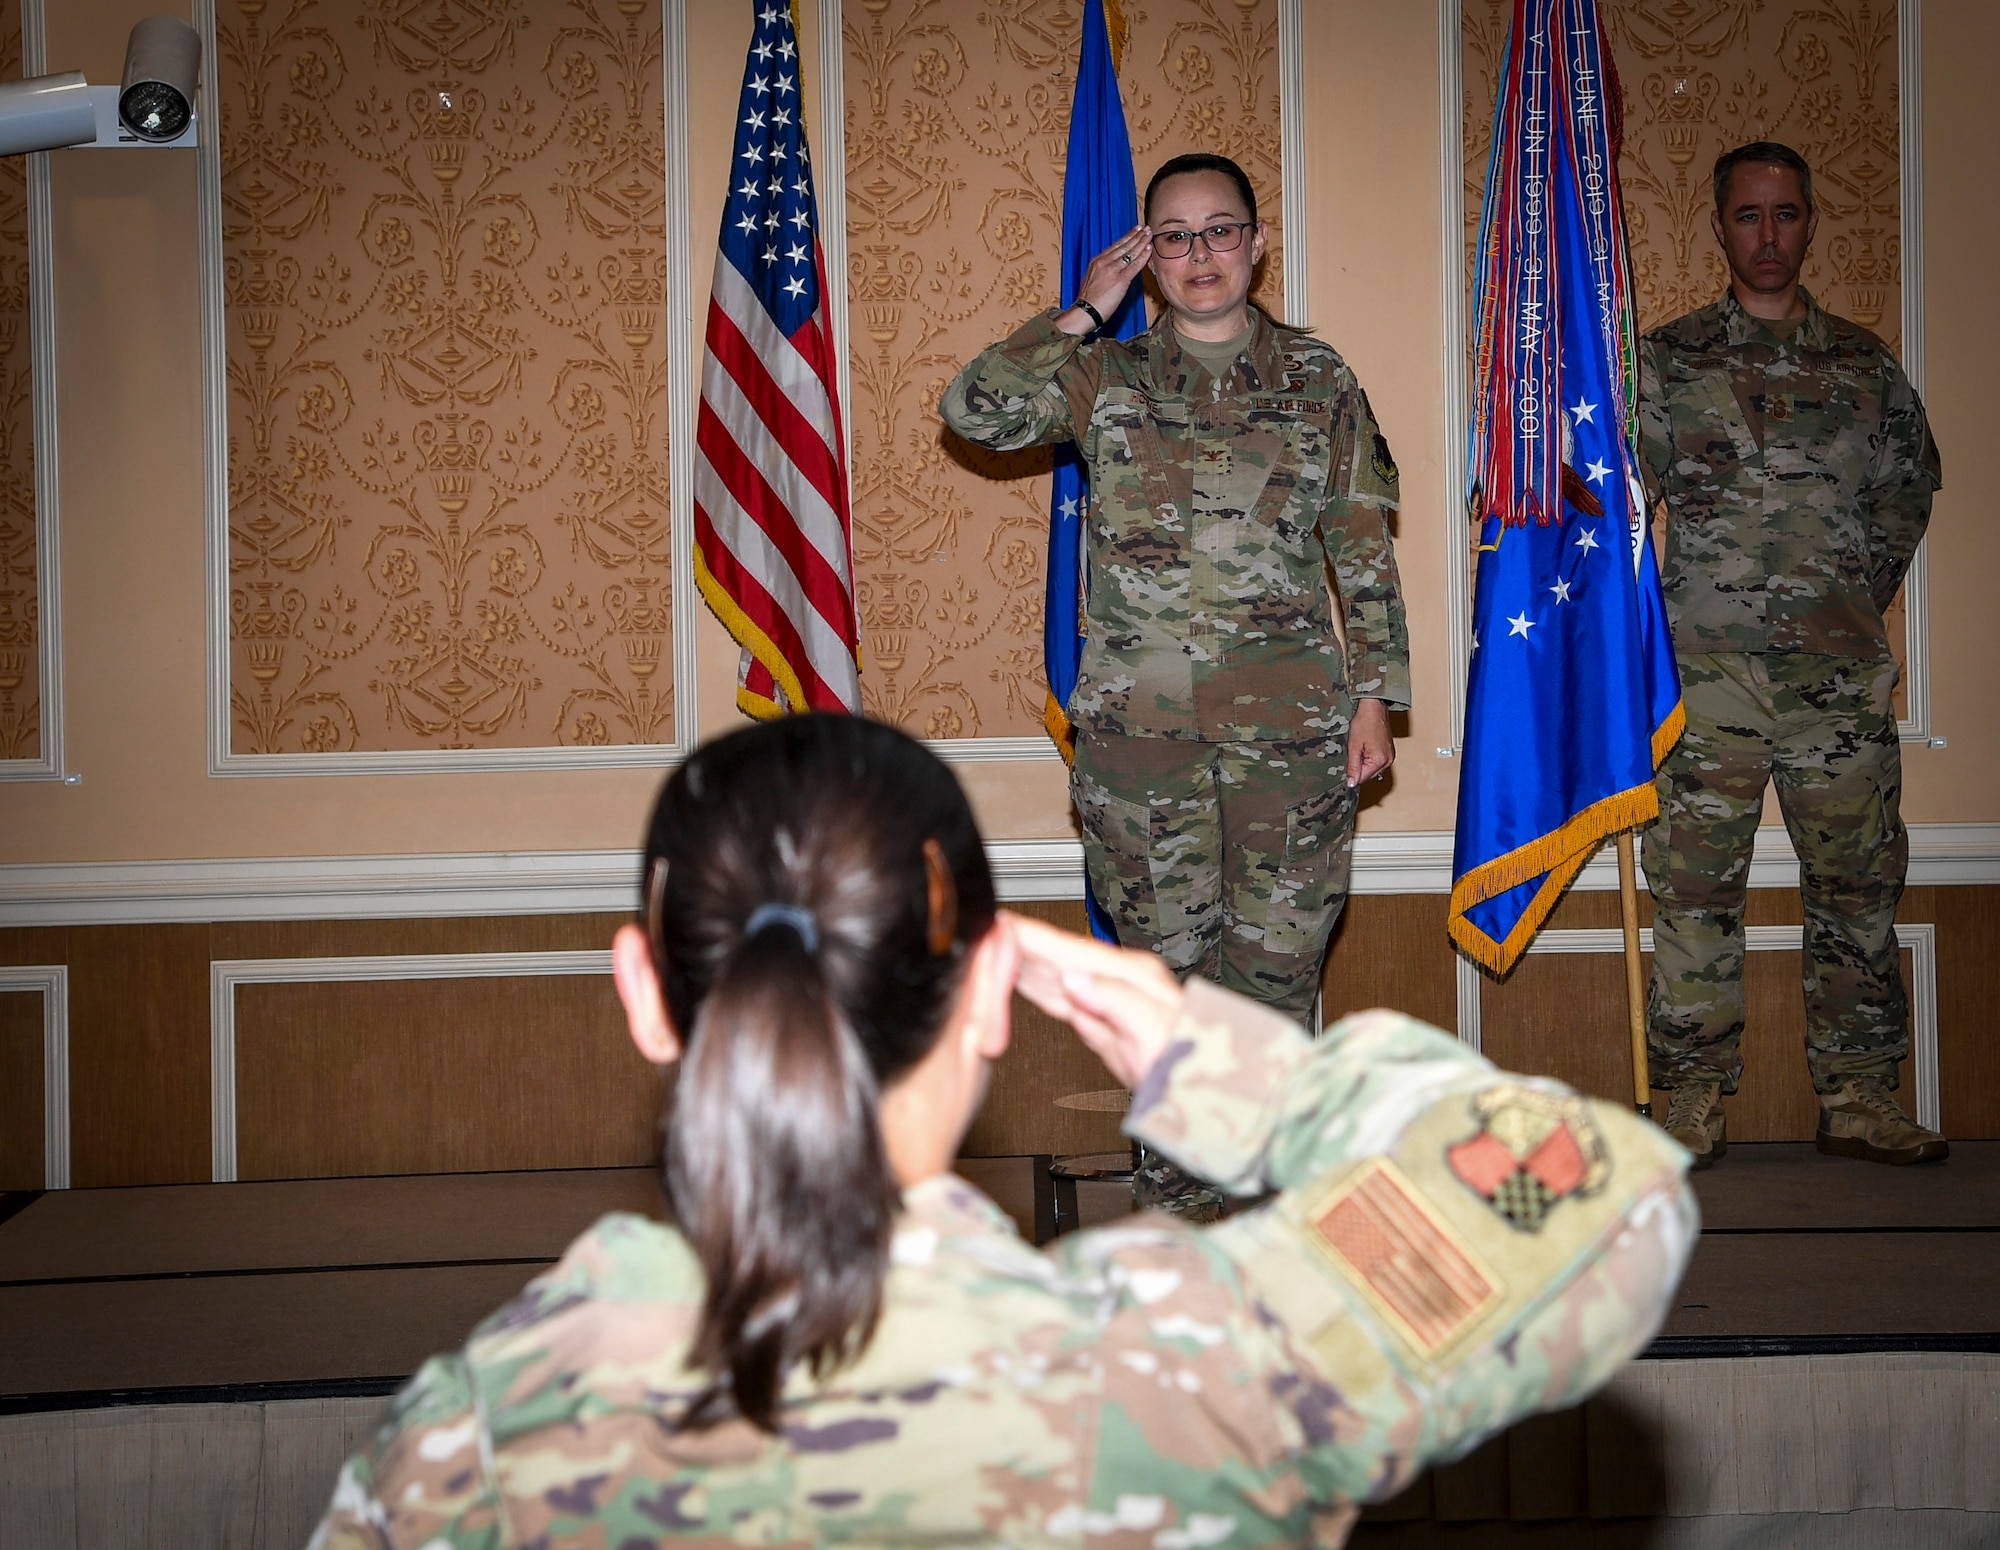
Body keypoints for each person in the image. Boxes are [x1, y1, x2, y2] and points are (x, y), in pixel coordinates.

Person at [310, 715, 1693, 1549]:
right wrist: (1231, 1067)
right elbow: (1612, 1204)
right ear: (990, 994)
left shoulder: (482, 1431)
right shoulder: (1199, 1370)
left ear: (643, 994)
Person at [941, 152, 1409, 1217]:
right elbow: (973, 409)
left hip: (1291, 733)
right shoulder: (1104, 377)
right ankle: (1183, 1195)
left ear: (1257, 242)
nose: (1201, 254)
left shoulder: (1318, 378)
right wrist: (1080, 310)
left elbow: (1361, 546)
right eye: (1175, 235)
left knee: (1276, 970)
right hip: (1138, 743)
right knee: (1172, 976)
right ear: (1146, 253)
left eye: (1221, 229)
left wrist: (1376, 693)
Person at [1637, 141, 1945, 1169]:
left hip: (1835, 688)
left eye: (1783, 215)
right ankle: (1687, 1099)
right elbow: (1605, 505)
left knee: (1856, 890)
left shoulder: (1862, 365)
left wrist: (1852, 595)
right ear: (1717, 226)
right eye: (1745, 216)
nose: (1765, 235)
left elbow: (1906, 491)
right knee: (1690, 894)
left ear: (1809, 222)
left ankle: (1857, 1094)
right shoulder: (1666, 362)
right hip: (1703, 685)